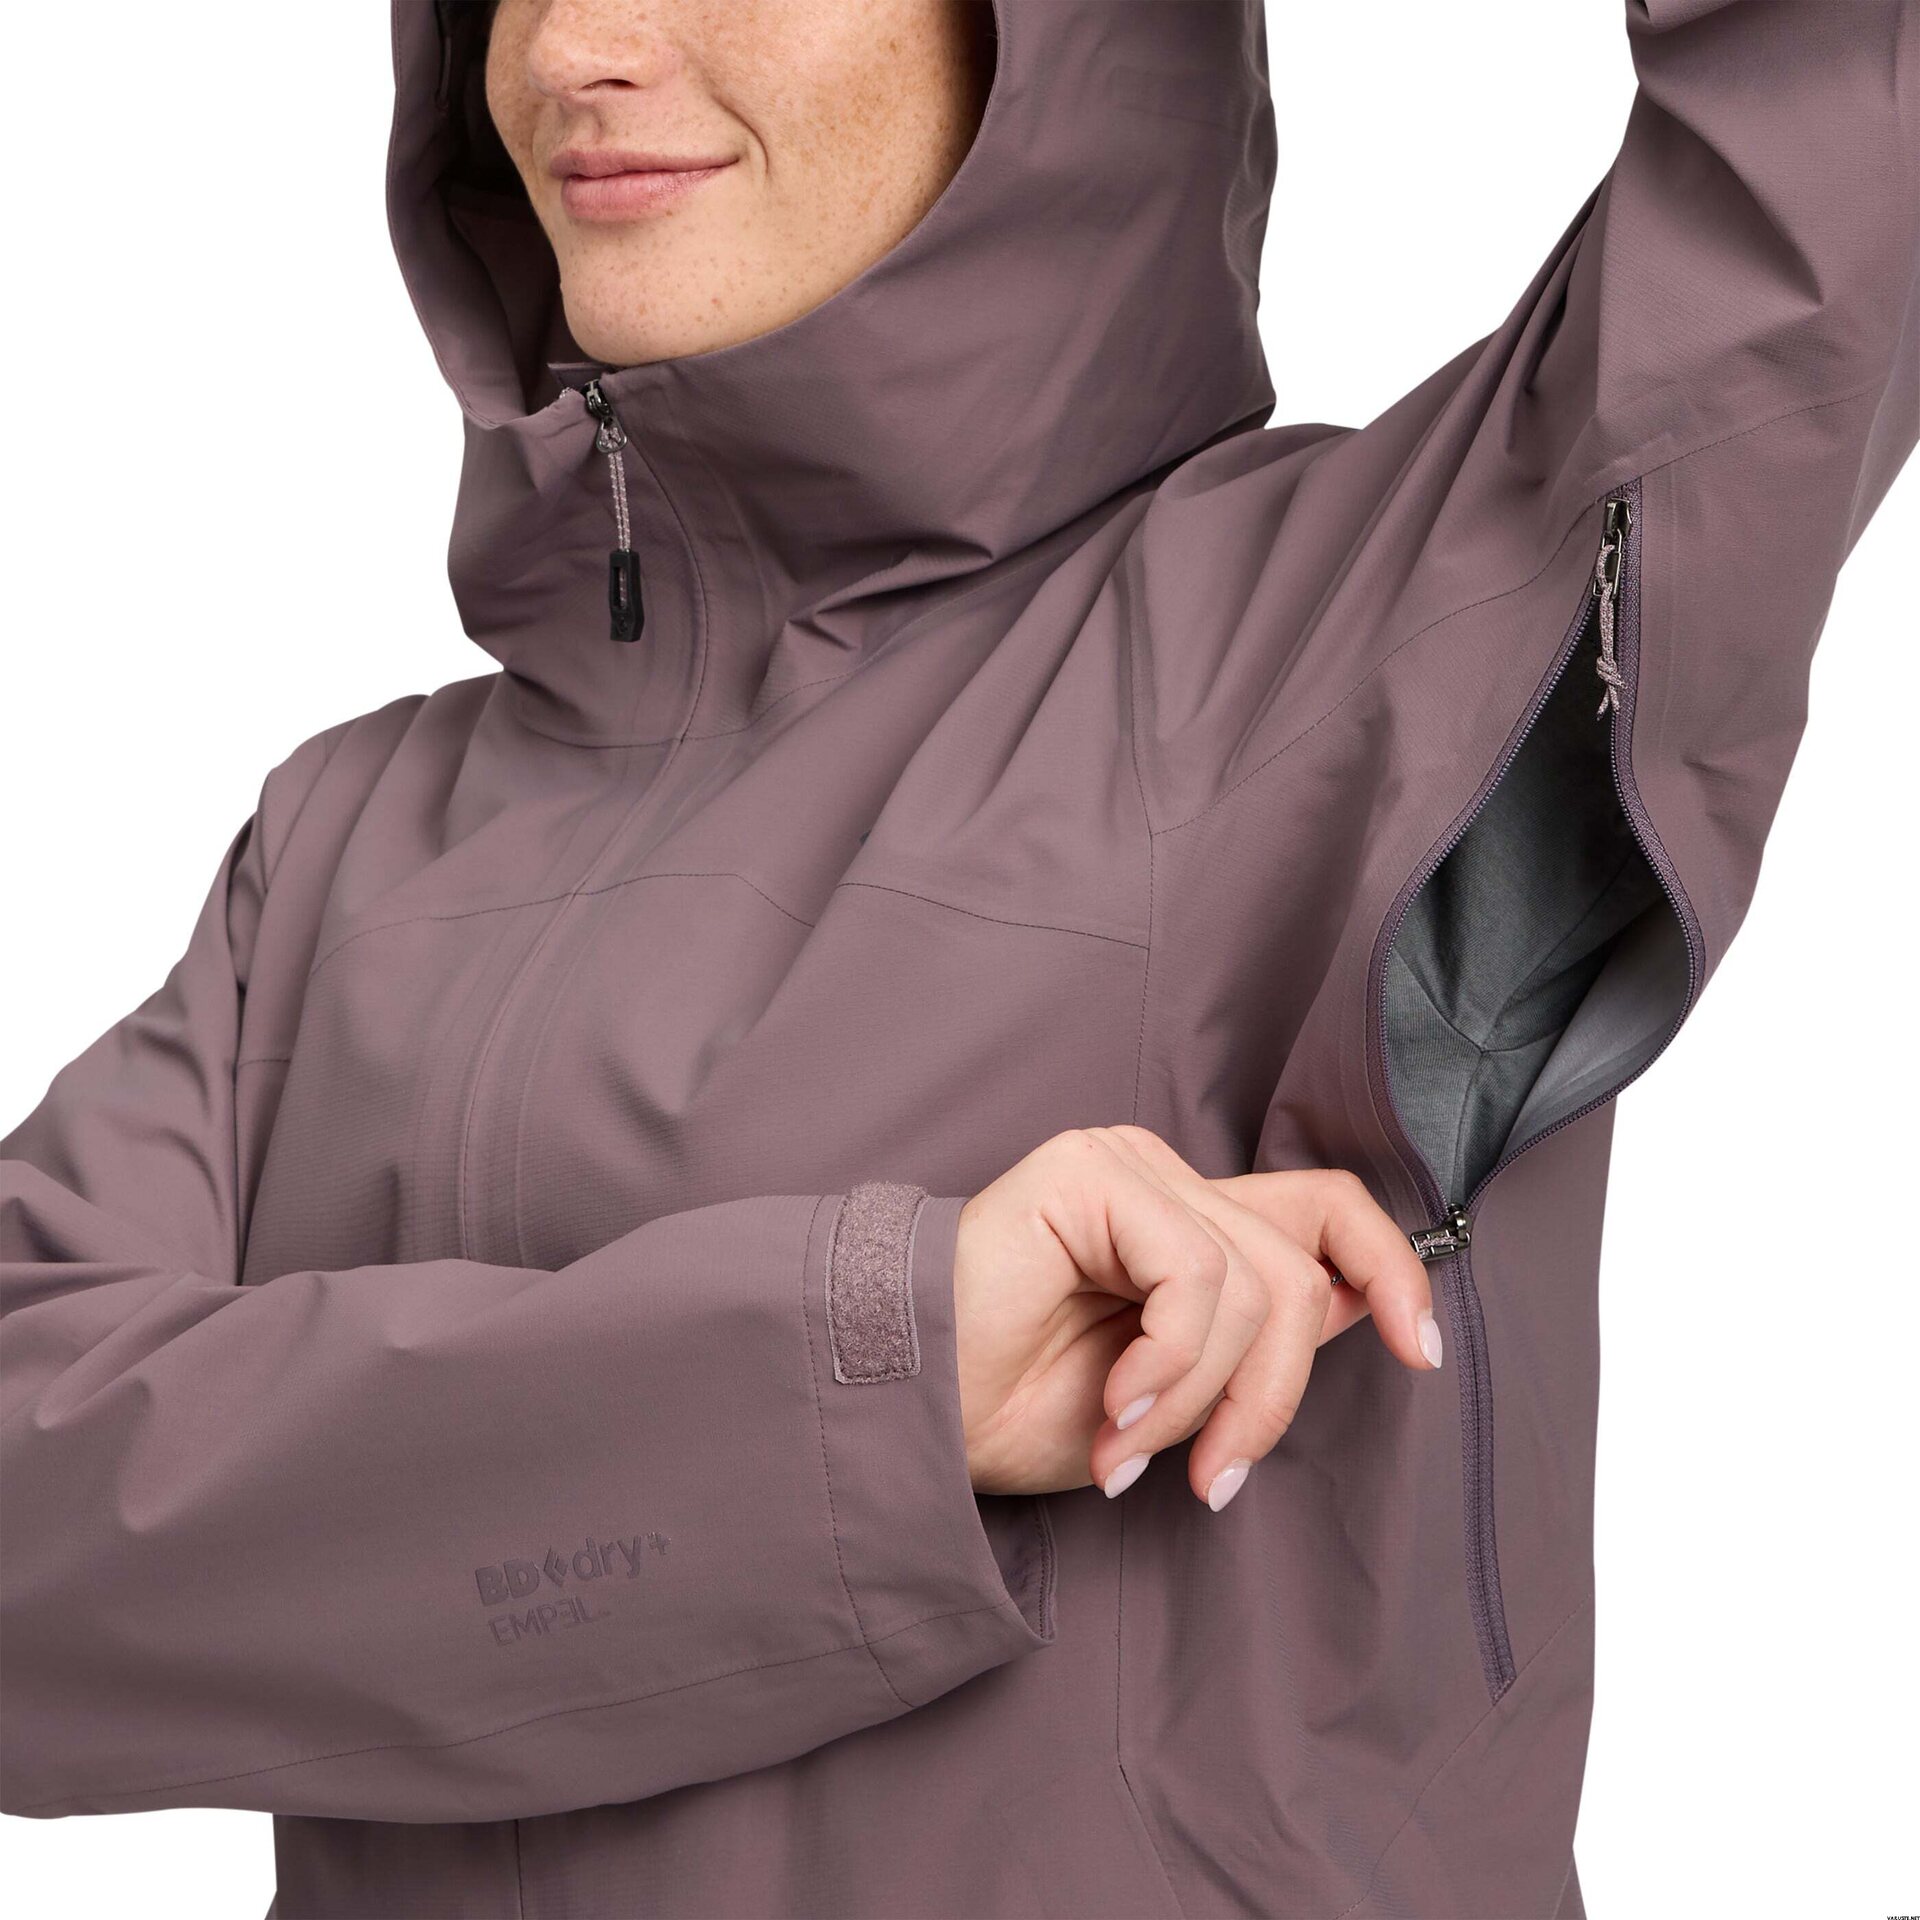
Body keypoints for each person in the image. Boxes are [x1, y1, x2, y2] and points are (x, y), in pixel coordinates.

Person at [1, 0, 1913, 1915]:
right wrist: (875, 1378)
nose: (572, 45)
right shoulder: (344, 842)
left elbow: (1838, 117)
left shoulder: (1369, 632)